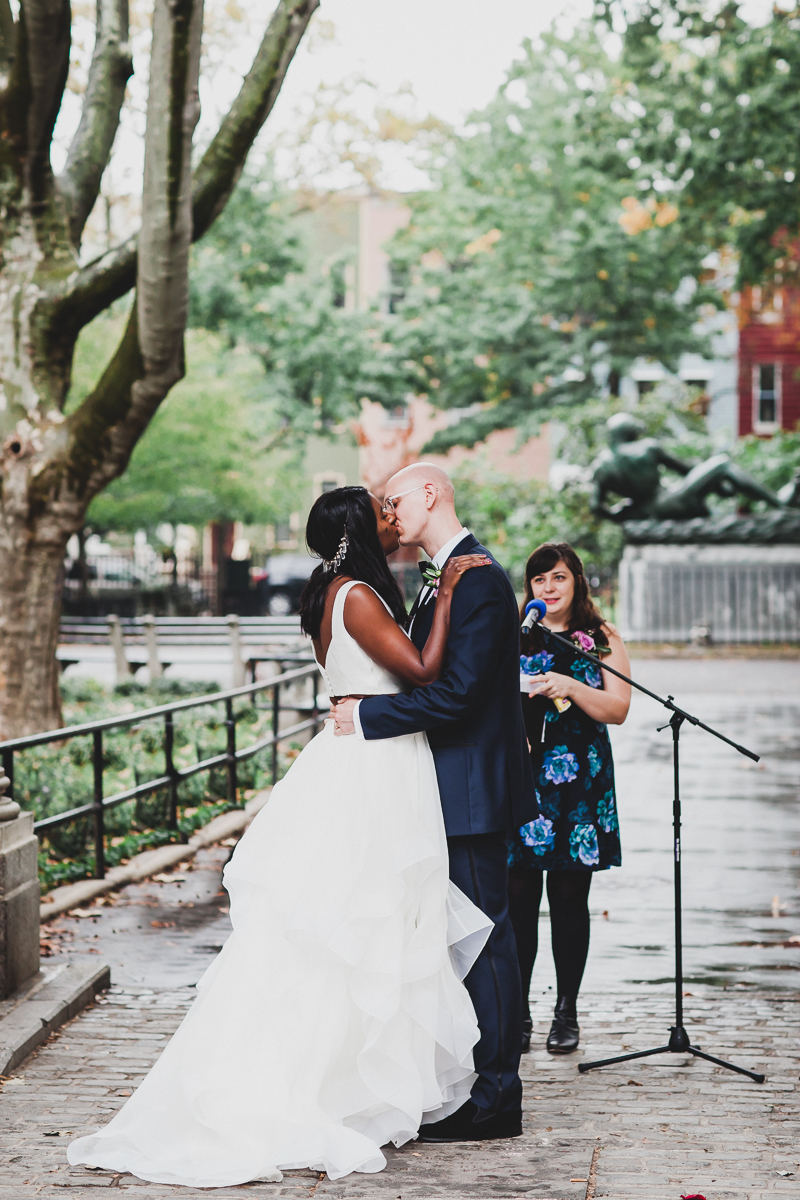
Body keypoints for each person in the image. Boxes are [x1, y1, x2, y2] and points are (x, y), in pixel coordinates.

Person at [68, 486, 494, 1187]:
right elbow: (420, 672)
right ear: (359, 527)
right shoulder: (355, 593)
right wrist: (446, 595)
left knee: (364, 922)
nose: (395, 521)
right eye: (383, 514)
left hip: (368, 756)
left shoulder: (339, 588)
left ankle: (350, 1081)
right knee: (354, 923)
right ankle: (315, 1086)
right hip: (371, 767)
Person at [332, 464, 538, 1144]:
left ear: (432, 494)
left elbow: (458, 697)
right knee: (458, 941)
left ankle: (498, 1096)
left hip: (472, 791)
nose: (387, 514)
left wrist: (366, 717)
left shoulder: (477, 579)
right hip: (443, 786)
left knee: (486, 941)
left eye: (394, 500)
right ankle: (466, 1081)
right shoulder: (445, 579)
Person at [509, 542, 630, 1056]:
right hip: (526, 777)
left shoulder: (599, 638)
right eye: (539, 581)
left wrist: (567, 685)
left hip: (580, 781)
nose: (549, 589)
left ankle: (567, 1012)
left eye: (558, 578)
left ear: (576, 580)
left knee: (568, 902)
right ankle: (517, 1013)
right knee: (517, 903)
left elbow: (618, 706)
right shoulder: (514, 635)